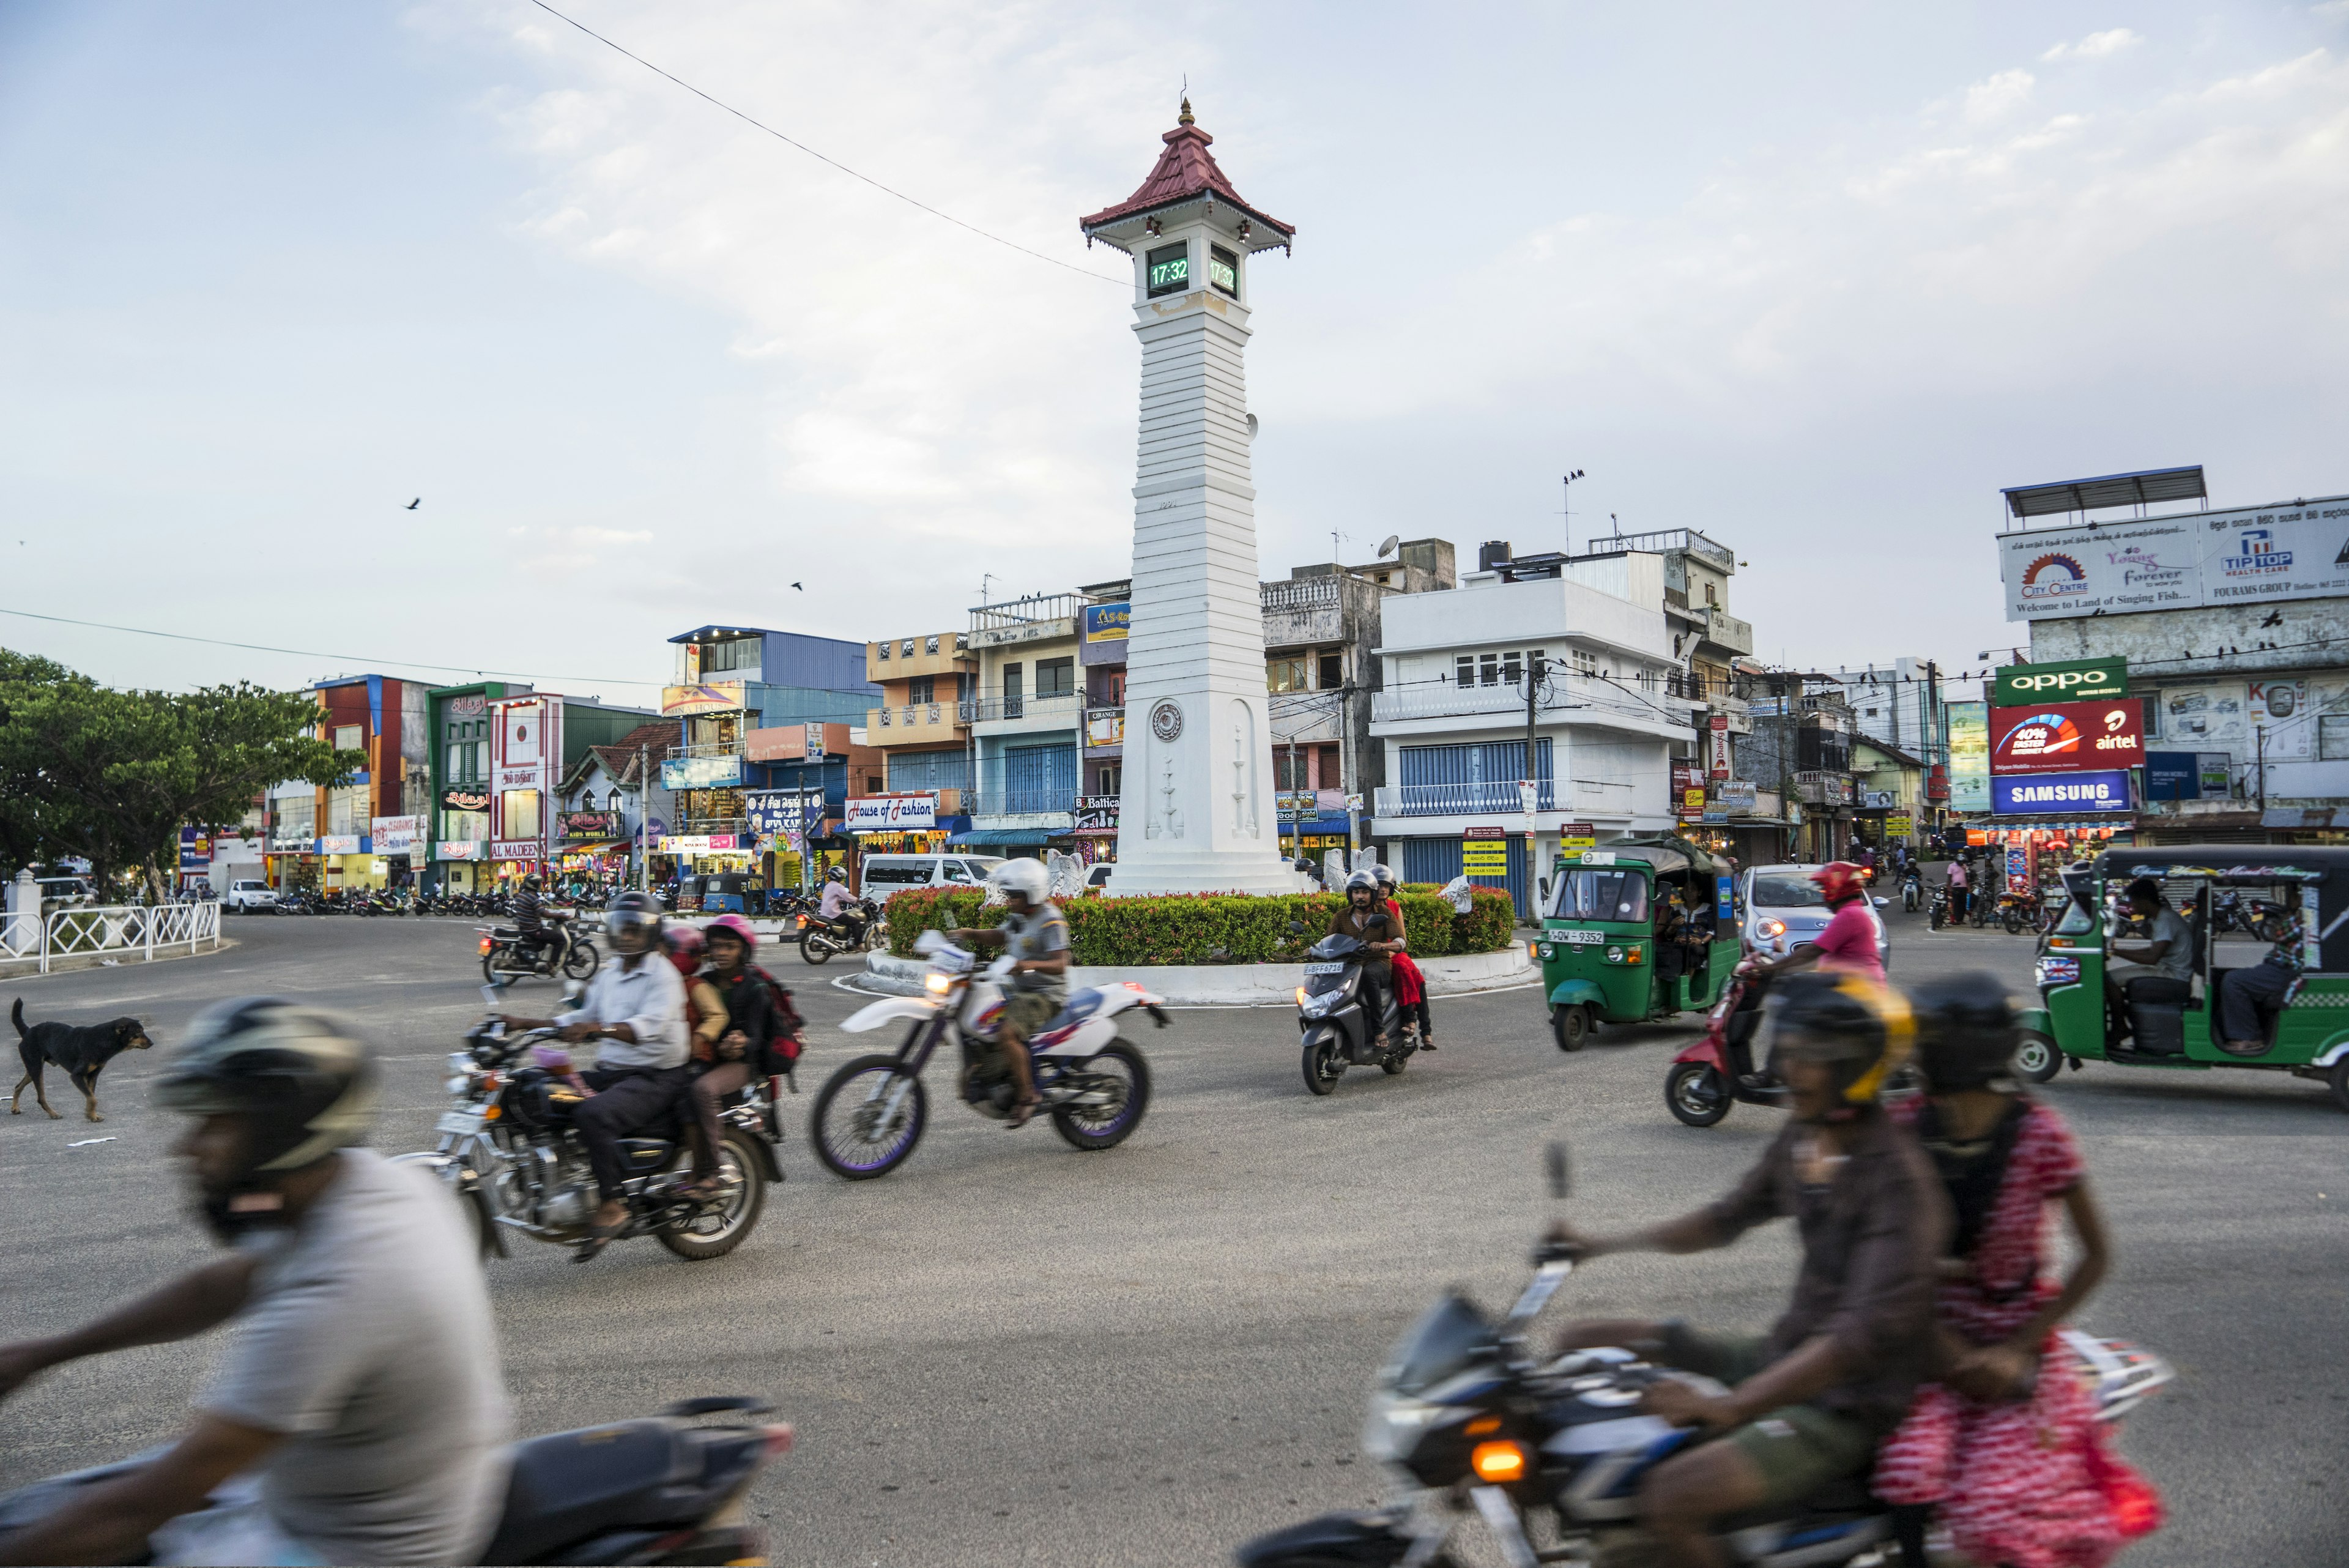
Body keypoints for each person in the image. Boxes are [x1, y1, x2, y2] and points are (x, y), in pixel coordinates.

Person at [0, 1000, 508, 1566]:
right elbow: (220, 1287)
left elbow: (145, 1505)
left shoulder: (340, 1292)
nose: (188, 1148)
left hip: (345, 1546)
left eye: (216, 1123)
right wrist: (44, 1353)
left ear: (281, 1131)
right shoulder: (361, 1183)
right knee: (44, 1505)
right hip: (313, 1491)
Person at [1548, 974, 1946, 1568]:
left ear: (1854, 1067)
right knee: (1581, 1344)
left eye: (1805, 1056)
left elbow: (1854, 1341)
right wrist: (1600, 1244)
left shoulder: (1896, 1180)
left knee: (1671, 1496)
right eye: (1786, 1049)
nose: (1785, 1067)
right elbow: (1723, 1219)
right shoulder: (1805, 1138)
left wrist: (1732, 1408)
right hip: (1785, 1353)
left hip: (1846, 1400)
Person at [1875, 973, 2155, 1568]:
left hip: (2019, 1349)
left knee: (1991, 1513)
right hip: (1931, 1342)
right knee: (1906, 1470)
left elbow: (2096, 1255)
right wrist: (1947, 1348)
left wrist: (2015, 1352)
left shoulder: (2039, 1135)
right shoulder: (1904, 1127)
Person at [500, 889, 689, 1261]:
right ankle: (552, 1176)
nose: (627, 936)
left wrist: (594, 1031)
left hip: (657, 1076)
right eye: (622, 928)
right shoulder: (611, 973)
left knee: (593, 1114)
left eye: (635, 930)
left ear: (650, 933)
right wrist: (528, 1023)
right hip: (613, 1072)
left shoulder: (663, 976)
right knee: (530, 1087)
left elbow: (643, 1029)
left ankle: (613, 1204)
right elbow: (580, 1017)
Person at [948, 859, 1069, 1127]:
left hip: (1044, 995)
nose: (1008, 899)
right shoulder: (1019, 917)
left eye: (1014, 894)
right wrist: (968, 933)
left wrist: (1027, 965)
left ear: (1031, 892)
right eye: (1008, 894)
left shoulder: (1051, 920)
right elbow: (1000, 936)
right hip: (1015, 990)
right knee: (976, 1019)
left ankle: (1029, 1094)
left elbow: (1061, 964)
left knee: (1006, 1033)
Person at [680, 914, 789, 1197]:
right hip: (708, 1057)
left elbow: (756, 1037)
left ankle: (713, 1172)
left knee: (703, 1090)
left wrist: (740, 1044)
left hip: (742, 1065)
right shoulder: (704, 981)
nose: (722, 953)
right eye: (716, 947)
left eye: (729, 946)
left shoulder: (755, 987)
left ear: (743, 949)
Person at [1750, 862, 1881, 985]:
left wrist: (1772, 967)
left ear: (1836, 888)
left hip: (1857, 988)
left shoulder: (1850, 915)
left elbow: (1814, 950)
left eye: (1825, 889)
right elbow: (1824, 957)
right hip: (1849, 983)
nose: (1823, 895)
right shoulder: (1853, 912)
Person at [2104, 877, 2192, 1040]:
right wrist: (2116, 951)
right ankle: (2126, 1019)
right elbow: (2154, 950)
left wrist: (2116, 952)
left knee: (2109, 980)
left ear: (2145, 901)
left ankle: (2120, 1028)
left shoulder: (2165, 920)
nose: (2131, 907)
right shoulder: (2160, 918)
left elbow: (2152, 958)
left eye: (2133, 902)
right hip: (2166, 969)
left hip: (2173, 975)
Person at [2217, 898, 2306, 1056]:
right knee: (2234, 976)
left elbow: (2279, 932)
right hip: (2278, 967)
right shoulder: (2304, 916)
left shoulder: (2308, 917)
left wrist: (2292, 909)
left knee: (2234, 980)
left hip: (2286, 970)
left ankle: (2249, 1038)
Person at [1327, 869, 1402, 1050]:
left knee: (1369, 975)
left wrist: (1383, 946)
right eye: (1356, 892)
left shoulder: (1383, 913)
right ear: (1350, 894)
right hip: (1351, 966)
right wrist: (1315, 949)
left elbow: (1400, 940)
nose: (1360, 896)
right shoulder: (1341, 916)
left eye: (1365, 892)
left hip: (1379, 964)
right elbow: (1329, 940)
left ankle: (1378, 1030)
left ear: (1373, 893)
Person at [1374, 867, 1433, 1051]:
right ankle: (1413, 1022)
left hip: (1395, 953)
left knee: (1417, 977)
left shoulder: (1394, 907)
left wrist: (1392, 950)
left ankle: (1425, 1031)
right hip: (1374, 956)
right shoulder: (1366, 908)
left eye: (1386, 886)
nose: (1383, 889)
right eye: (1379, 886)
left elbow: (1403, 940)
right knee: (1404, 969)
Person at [513, 872, 551, 966]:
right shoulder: (532, 898)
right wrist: (561, 915)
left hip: (524, 928)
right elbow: (544, 913)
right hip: (533, 930)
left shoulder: (521, 895)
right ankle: (552, 965)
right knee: (559, 939)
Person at [1944, 856, 1969, 924]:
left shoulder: (1965, 866)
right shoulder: (1951, 866)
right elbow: (1949, 877)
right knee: (1956, 903)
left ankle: (1961, 919)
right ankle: (1957, 919)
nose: (1961, 863)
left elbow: (1967, 877)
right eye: (1960, 862)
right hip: (1955, 887)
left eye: (1962, 862)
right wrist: (1949, 886)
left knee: (1963, 903)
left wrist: (1968, 886)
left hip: (1964, 887)